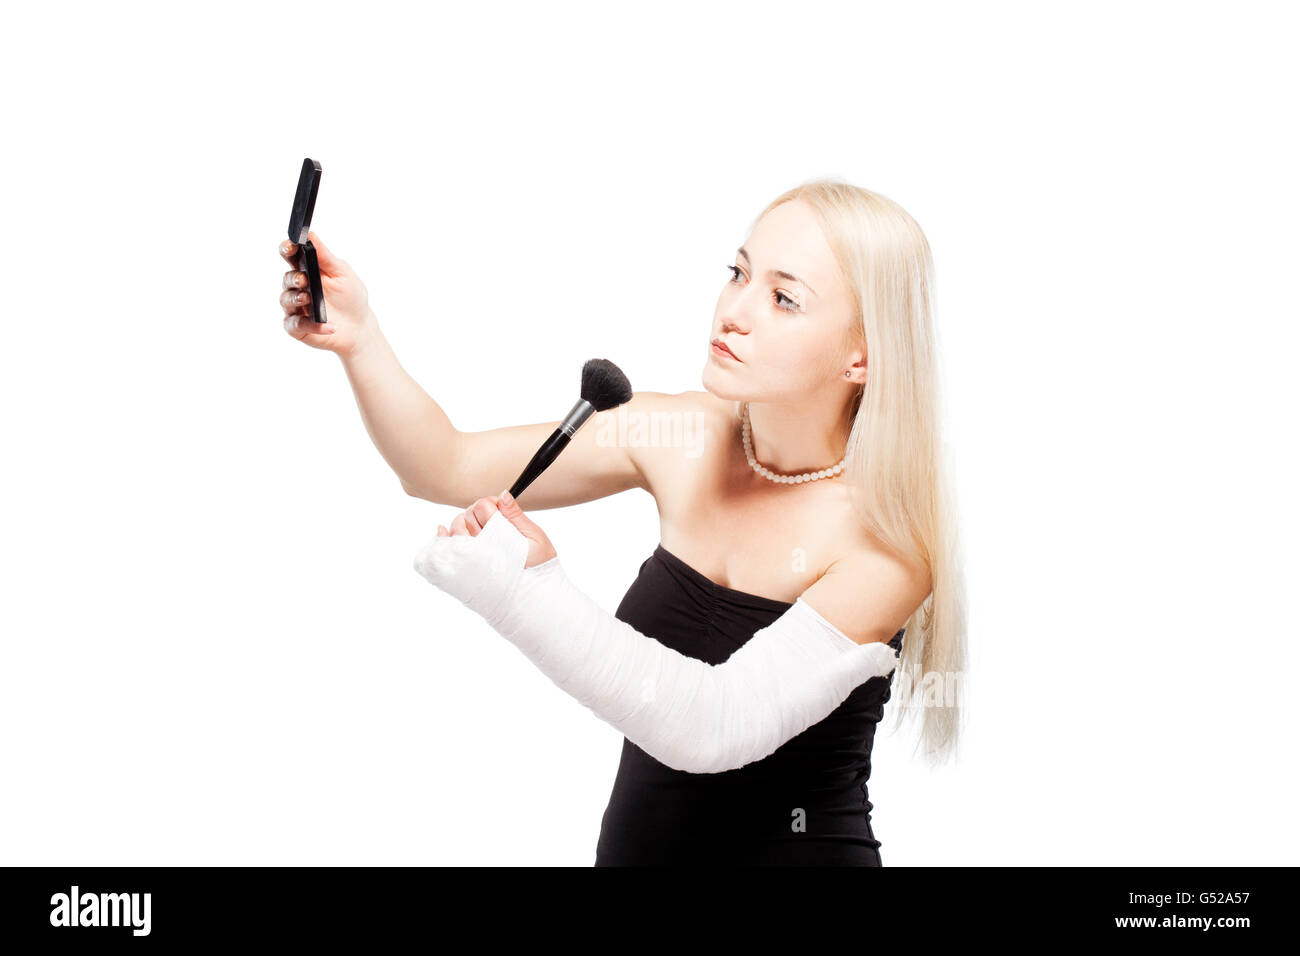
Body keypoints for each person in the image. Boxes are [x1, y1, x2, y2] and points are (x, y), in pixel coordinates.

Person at [278, 177, 967, 865]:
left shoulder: (887, 544)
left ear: (863, 356)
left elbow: (713, 725)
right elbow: (443, 465)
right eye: (739, 273)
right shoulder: (687, 436)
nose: (735, 311)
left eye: (785, 298)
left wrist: (530, 591)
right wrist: (359, 337)